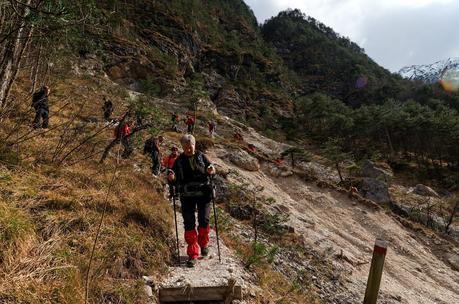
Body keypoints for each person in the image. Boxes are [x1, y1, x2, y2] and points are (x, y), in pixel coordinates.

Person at [167, 134, 216, 267]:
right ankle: (193, 254)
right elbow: (174, 176)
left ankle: (204, 244)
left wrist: (211, 170)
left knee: (204, 220)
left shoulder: (201, 156)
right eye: (186, 147)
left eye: (191, 146)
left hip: (203, 194)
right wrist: (171, 177)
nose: (189, 149)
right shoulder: (179, 160)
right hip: (187, 195)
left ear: (194, 145)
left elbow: (210, 168)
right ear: (183, 147)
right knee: (189, 223)